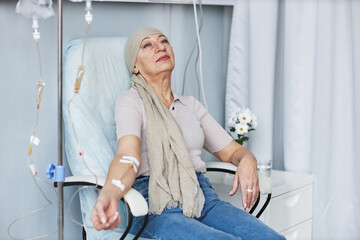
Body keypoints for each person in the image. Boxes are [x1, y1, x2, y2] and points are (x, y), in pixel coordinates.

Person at [91, 27, 285, 240]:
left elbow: (232, 152)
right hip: (156, 206)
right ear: (135, 66)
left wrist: (248, 159)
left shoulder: (191, 105)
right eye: (147, 45)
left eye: (164, 41)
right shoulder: (131, 101)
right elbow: (127, 157)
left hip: (202, 198)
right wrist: (110, 193)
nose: (160, 47)